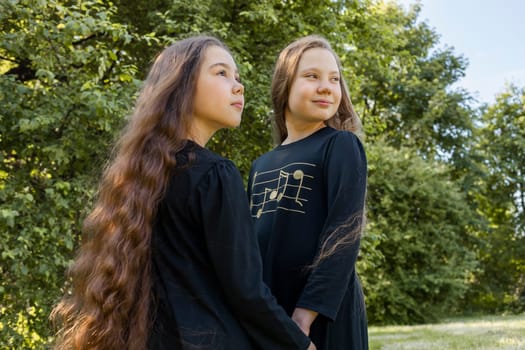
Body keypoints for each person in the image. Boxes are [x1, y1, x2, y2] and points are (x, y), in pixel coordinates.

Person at [50, 35, 315, 350]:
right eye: (221, 73)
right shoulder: (216, 175)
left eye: (238, 78)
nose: (238, 86)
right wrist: (300, 344)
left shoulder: (142, 178)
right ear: (183, 86)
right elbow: (246, 290)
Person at [247, 35, 369, 349]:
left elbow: (344, 234)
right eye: (312, 76)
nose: (326, 86)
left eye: (334, 79)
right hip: (272, 311)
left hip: (322, 315)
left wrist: (304, 317)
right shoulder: (260, 165)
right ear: (284, 85)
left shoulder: (340, 145)